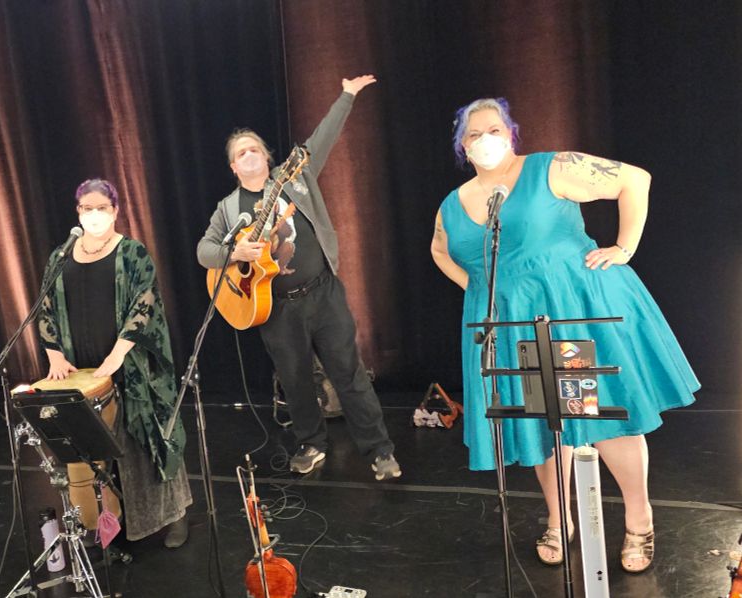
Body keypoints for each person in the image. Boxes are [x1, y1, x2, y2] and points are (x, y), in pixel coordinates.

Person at [430, 98, 699, 572]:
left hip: (567, 312)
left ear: (511, 133)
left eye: (494, 129)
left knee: (597, 418)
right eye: (474, 134)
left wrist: (624, 247)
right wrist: (480, 289)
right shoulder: (454, 203)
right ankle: (561, 518)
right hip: (512, 324)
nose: (485, 139)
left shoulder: (549, 168)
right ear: (461, 146)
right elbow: (440, 250)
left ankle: (639, 519)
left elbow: (634, 180)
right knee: (545, 424)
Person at [196, 75, 401, 481]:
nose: (249, 155)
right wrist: (233, 251)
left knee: (349, 374)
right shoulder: (228, 207)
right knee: (295, 382)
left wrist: (346, 94)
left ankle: (379, 450)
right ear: (233, 167)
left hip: (323, 294)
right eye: (241, 153)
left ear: (269, 157)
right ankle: (311, 443)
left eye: (255, 148)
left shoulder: (295, 179)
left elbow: (322, 137)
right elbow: (204, 251)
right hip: (275, 309)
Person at [37, 179, 193, 549]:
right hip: (82, 370)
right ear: (78, 212)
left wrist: (117, 355)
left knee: (148, 443)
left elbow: (144, 305)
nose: (94, 214)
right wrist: (54, 354)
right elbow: (44, 307)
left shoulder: (133, 252)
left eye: (101, 208)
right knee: (94, 452)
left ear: (115, 210)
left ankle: (174, 517)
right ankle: (109, 521)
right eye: (86, 208)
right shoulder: (61, 256)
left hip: (130, 364)